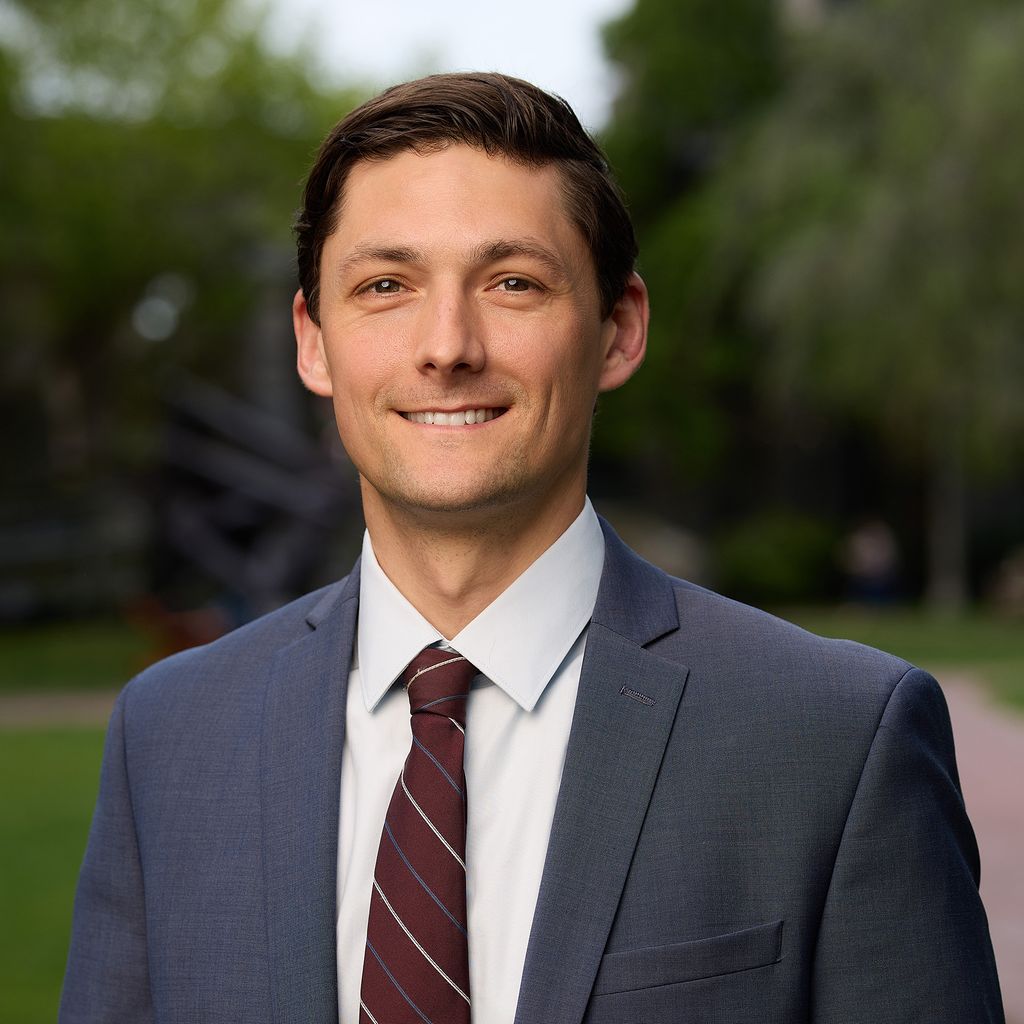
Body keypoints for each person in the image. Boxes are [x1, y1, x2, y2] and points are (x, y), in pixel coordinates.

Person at [60, 72, 1004, 1024]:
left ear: (617, 330)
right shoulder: (170, 737)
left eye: (513, 283)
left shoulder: (836, 740)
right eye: (386, 286)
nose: (447, 345)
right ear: (315, 342)